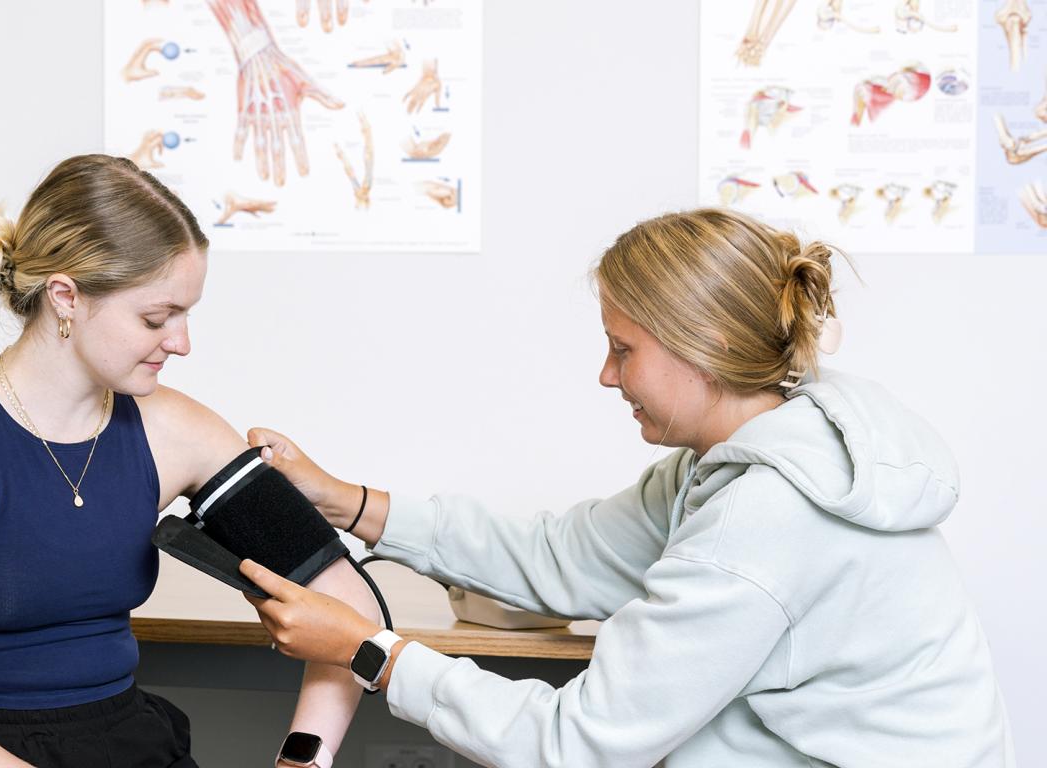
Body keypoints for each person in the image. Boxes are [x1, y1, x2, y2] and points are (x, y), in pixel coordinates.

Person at [239, 208, 1016, 768]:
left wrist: (368, 651)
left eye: (623, 349)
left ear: (704, 347)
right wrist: (345, 499)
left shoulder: (768, 515)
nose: (606, 376)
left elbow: (579, 743)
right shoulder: (740, 458)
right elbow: (562, 557)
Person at [0, 154, 379, 768]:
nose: (182, 343)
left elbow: (351, 605)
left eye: (186, 315)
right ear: (65, 297)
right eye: (157, 318)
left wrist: (303, 761)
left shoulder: (175, 430)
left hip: (126, 742)